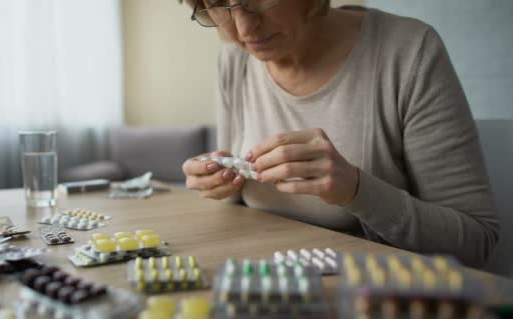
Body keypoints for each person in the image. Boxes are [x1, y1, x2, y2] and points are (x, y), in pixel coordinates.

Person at [180, 0, 499, 268]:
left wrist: (356, 190)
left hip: (373, 296)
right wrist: (219, 180)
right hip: (267, 283)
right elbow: (238, 204)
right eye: (218, 3)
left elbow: (476, 241)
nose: (244, 30)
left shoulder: (408, 51)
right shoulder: (234, 60)